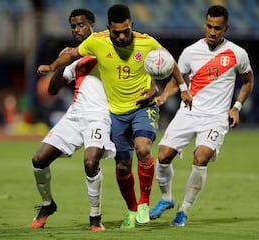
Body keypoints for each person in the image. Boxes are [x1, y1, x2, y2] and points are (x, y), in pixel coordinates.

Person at [37, 4, 193, 228]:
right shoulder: (97, 42)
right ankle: (130, 209)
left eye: (126, 31)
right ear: (108, 28)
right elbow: (71, 54)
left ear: (132, 26)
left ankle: (143, 202)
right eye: (116, 32)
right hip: (116, 114)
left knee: (143, 148)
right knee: (122, 167)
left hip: (143, 107)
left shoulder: (146, 42)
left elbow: (170, 62)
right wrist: (51, 66)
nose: (121, 36)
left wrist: (182, 88)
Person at [149, 5, 254, 227]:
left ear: (226, 28)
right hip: (189, 112)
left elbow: (248, 81)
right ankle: (167, 199)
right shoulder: (190, 52)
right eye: (209, 26)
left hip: (216, 118)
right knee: (163, 155)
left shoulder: (237, 53)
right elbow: (178, 80)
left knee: (201, 157)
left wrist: (236, 107)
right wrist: (165, 96)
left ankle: (184, 211)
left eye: (218, 28)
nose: (212, 32)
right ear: (204, 24)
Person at [30, 9, 116, 232]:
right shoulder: (75, 60)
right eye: (73, 26)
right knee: (38, 160)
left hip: (99, 116)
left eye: (81, 25)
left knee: (90, 162)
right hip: (76, 115)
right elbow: (52, 89)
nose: (76, 29)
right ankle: (48, 205)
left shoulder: (108, 48)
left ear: (92, 25)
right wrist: (59, 64)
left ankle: (95, 217)